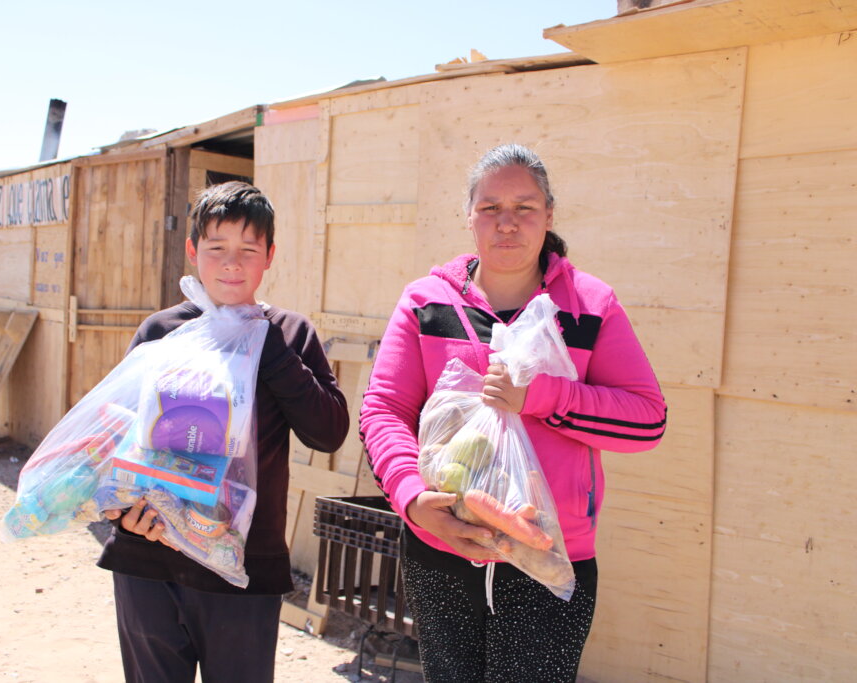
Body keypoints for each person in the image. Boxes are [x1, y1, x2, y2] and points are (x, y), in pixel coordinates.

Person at [359, 144, 667, 682]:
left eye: (525, 208)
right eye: (490, 208)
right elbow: (384, 410)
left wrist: (544, 397)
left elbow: (646, 420)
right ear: (469, 217)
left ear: (549, 216)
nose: (507, 224)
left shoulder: (591, 306)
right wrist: (411, 497)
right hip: (444, 545)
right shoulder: (425, 303)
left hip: (549, 551)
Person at [97, 181, 350, 683]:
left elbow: (328, 432)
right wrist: (125, 515)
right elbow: (113, 437)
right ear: (193, 251)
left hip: (243, 569)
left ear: (270, 256)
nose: (231, 263)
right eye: (216, 248)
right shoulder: (162, 332)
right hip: (149, 558)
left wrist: (264, 340)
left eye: (248, 250)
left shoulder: (291, 334)